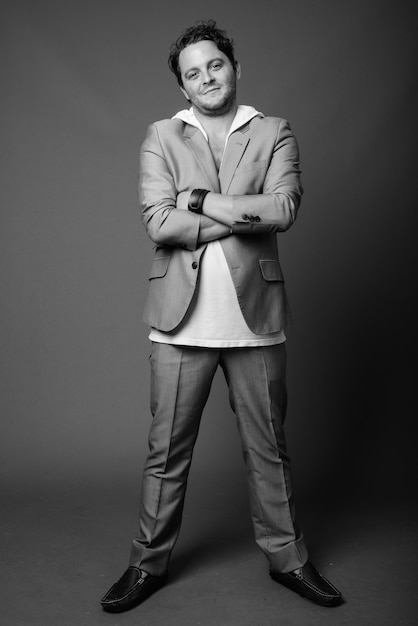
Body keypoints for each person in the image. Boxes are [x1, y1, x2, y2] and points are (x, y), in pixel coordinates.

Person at [101, 19, 342, 613]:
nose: (206, 77)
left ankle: (290, 559)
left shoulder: (273, 131)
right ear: (183, 87)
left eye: (215, 65)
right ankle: (146, 563)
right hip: (178, 323)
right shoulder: (162, 136)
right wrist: (241, 213)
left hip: (255, 322)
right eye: (193, 72)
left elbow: (282, 209)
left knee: (270, 449)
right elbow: (159, 222)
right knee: (166, 452)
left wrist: (202, 202)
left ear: (235, 68)